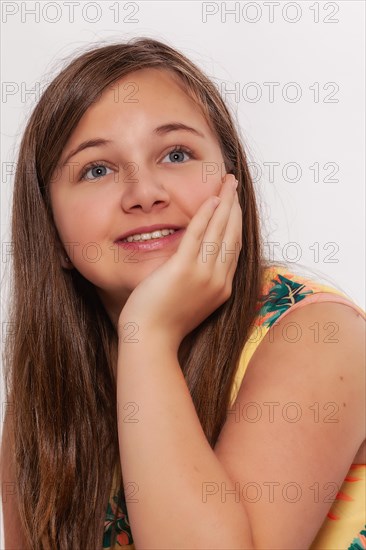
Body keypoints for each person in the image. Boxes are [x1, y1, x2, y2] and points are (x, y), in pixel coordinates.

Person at [0, 37, 365, 550]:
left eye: (176, 154)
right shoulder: (43, 395)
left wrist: (147, 335)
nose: (145, 192)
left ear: (231, 182)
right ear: (52, 231)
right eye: (97, 169)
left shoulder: (320, 336)